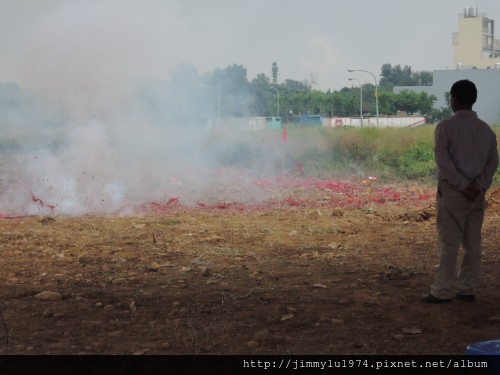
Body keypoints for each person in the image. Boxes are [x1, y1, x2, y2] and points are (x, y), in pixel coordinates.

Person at [422, 79, 499, 303]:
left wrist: (463, 185)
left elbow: (443, 162)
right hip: (477, 195)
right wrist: (480, 184)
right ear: (473, 100)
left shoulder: (445, 127)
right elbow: (493, 162)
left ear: (453, 99)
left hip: (453, 193)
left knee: (449, 244)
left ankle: (442, 290)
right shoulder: (486, 130)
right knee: (473, 243)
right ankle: (468, 289)